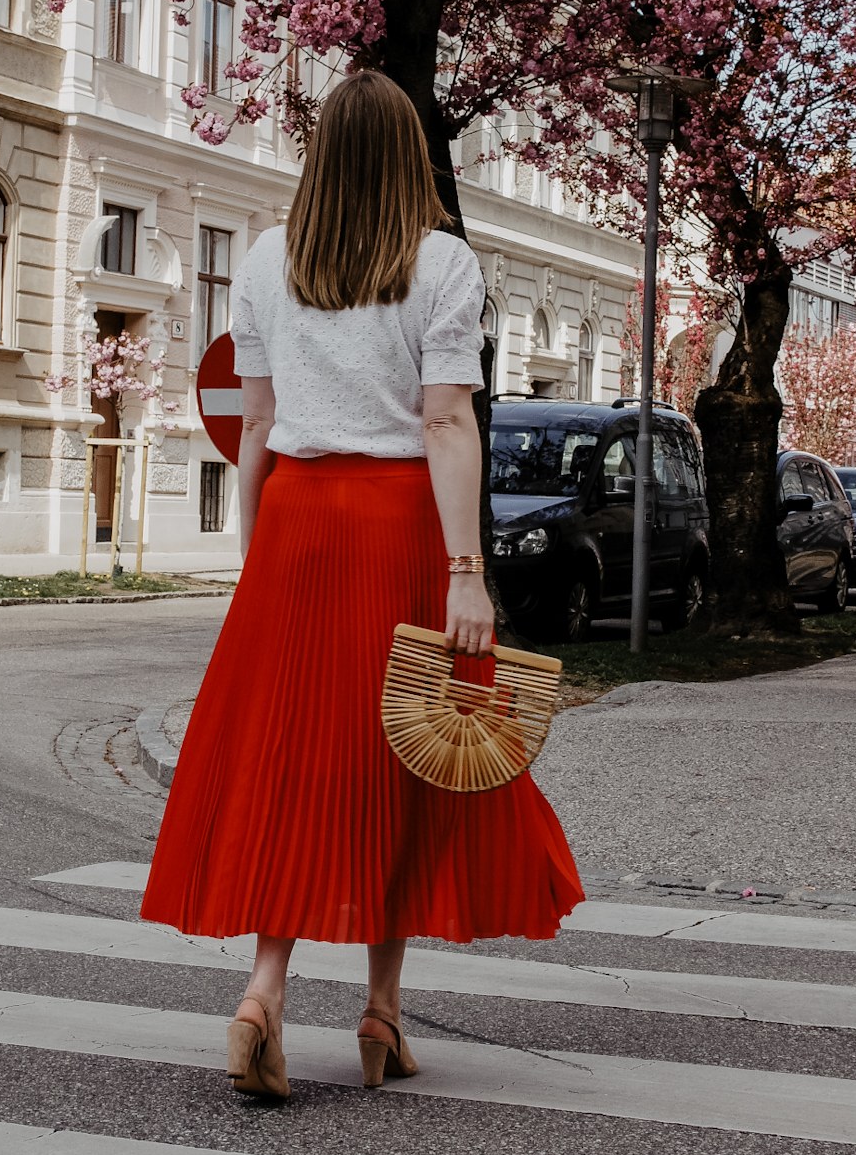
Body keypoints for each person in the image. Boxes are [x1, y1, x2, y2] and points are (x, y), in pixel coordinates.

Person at [140, 69, 583, 1097]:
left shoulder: (262, 261)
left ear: (322, 155)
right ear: (410, 157)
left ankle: (263, 991)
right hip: (398, 526)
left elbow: (252, 426)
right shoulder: (442, 264)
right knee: (408, 751)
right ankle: (379, 1008)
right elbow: (443, 421)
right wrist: (466, 570)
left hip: (295, 518)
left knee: (289, 756)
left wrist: (259, 555)